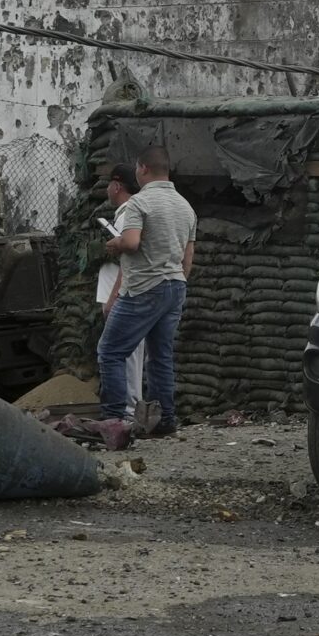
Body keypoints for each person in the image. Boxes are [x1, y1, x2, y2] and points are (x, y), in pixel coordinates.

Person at [97, 146, 195, 436]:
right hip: (175, 286)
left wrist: (114, 244)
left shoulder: (140, 203)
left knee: (110, 351)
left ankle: (115, 422)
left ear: (142, 169)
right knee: (160, 356)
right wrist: (177, 282)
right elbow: (188, 257)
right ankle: (164, 421)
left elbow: (131, 243)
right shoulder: (185, 207)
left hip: (143, 287)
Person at [92, 166, 149, 428]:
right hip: (131, 293)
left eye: (108, 185)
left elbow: (129, 260)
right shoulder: (128, 212)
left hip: (127, 295)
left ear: (116, 186)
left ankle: (125, 414)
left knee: (121, 353)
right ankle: (130, 411)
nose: (106, 190)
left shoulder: (129, 214)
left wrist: (114, 297)